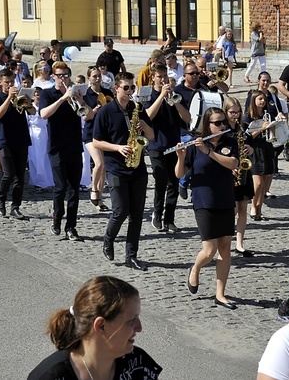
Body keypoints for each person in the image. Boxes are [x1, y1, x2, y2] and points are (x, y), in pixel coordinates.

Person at [27, 276, 161, 380]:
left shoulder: (138, 364)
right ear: (101, 326)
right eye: (131, 320)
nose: (139, 327)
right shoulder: (50, 376)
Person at [176, 107, 239, 309]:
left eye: (223, 122)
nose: (222, 126)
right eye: (217, 123)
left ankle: (220, 294)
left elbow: (233, 163)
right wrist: (179, 156)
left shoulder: (229, 142)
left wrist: (210, 152)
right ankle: (195, 269)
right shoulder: (195, 145)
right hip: (204, 201)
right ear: (207, 125)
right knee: (210, 250)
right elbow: (179, 173)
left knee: (225, 248)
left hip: (226, 199)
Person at [93, 72, 155, 271]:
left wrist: (144, 125)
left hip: (137, 167)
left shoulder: (138, 108)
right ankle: (108, 240)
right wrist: (118, 148)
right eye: (126, 88)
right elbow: (96, 141)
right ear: (116, 89)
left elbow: (152, 136)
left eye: (132, 88)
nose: (130, 91)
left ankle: (131, 255)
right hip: (116, 168)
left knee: (136, 215)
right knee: (120, 210)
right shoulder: (106, 112)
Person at [39, 62, 85, 241]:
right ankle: (57, 218)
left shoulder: (76, 93)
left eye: (66, 75)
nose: (63, 78)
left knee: (74, 190)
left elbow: (88, 115)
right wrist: (62, 98)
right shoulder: (47, 93)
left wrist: (81, 102)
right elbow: (43, 114)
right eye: (60, 75)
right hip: (56, 147)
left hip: (74, 146)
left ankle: (71, 226)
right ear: (53, 77)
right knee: (60, 187)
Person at [145, 64, 190, 234]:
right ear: (153, 78)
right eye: (159, 76)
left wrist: (175, 101)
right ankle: (157, 213)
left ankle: (169, 219)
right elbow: (148, 116)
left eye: (165, 76)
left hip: (173, 144)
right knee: (161, 181)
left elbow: (187, 118)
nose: (163, 79)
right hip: (155, 145)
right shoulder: (148, 95)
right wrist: (162, 96)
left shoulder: (175, 95)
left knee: (174, 182)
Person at [0, 68, 34, 219]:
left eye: (11, 81)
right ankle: (1, 200)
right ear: (1, 82)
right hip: (5, 141)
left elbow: (33, 112)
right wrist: (9, 98)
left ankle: (15, 207)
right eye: (6, 82)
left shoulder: (20, 95)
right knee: (8, 174)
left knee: (20, 177)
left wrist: (28, 103)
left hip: (21, 139)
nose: (10, 84)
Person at [224, 97, 255, 254]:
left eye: (238, 112)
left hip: (243, 172)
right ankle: (225, 241)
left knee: (243, 208)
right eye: (232, 112)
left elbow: (251, 146)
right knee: (233, 210)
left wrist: (250, 149)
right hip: (230, 173)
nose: (235, 115)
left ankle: (239, 243)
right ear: (226, 111)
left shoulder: (242, 128)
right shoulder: (222, 130)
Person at [82, 66, 112, 211]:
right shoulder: (86, 95)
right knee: (99, 163)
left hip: (104, 133)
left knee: (104, 166)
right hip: (90, 133)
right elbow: (85, 116)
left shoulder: (106, 92)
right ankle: (94, 190)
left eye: (99, 76)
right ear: (89, 78)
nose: (97, 78)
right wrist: (93, 111)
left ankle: (99, 200)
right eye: (94, 76)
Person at [243, 90, 275, 223]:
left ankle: (259, 208)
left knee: (264, 183)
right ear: (254, 101)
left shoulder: (267, 115)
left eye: (264, 99)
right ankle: (253, 208)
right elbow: (247, 137)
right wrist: (261, 129)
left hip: (266, 147)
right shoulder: (247, 117)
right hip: (254, 150)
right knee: (258, 183)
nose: (263, 102)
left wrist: (273, 127)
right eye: (260, 99)